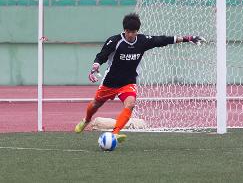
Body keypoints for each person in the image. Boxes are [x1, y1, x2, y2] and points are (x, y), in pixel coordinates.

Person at [74, 13, 205, 142]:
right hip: (110, 82)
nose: (130, 34)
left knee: (130, 104)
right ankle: (86, 120)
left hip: (128, 82)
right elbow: (101, 56)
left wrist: (188, 38)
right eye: (128, 31)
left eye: (133, 31)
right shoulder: (114, 41)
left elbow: (162, 40)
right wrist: (95, 66)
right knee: (96, 104)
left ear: (137, 31)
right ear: (124, 30)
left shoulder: (142, 41)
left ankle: (115, 134)